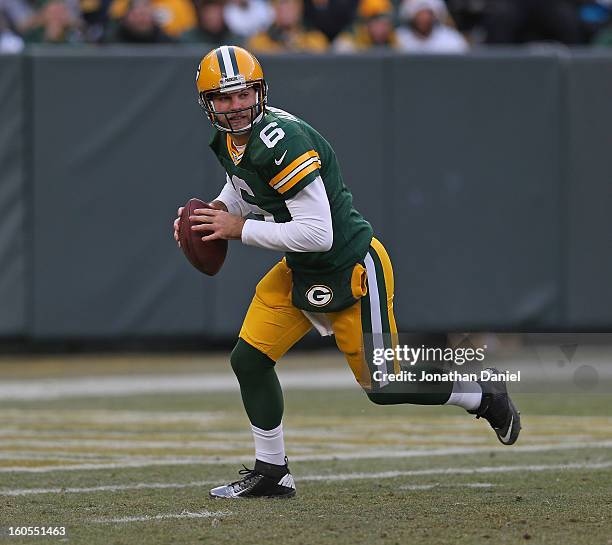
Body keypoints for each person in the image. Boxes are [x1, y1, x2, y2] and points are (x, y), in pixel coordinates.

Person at [173, 45, 522, 499]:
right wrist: (213, 213)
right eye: (225, 98)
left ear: (260, 92)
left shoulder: (283, 140)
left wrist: (238, 228)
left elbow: (318, 233)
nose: (237, 106)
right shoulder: (229, 139)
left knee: (384, 386)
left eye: (244, 95)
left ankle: (482, 394)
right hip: (301, 266)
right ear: (208, 104)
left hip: (350, 265)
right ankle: (273, 471)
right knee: (250, 358)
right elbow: (244, 188)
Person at [247, 0, 328, 53]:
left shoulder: (316, 39)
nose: (285, 9)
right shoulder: (259, 41)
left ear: (299, 8)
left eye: (290, 5)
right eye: (281, 5)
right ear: (274, 9)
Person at [396, 0, 469, 53]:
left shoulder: (452, 40)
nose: (424, 18)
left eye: (428, 13)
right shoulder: (399, 38)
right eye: (420, 14)